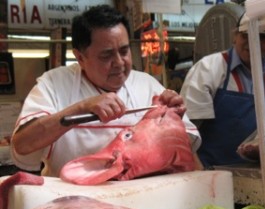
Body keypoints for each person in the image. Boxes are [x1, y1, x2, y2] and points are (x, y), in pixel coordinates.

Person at [11, 5, 201, 177]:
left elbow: (187, 154)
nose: (119, 62)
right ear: (80, 57)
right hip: (72, 201)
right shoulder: (54, 84)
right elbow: (22, 144)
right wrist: (81, 108)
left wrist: (173, 120)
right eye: (106, 55)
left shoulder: (147, 85)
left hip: (139, 198)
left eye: (124, 51)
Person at [180, 13, 265, 168]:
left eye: (263, 38)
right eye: (247, 35)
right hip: (212, 176)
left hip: (261, 180)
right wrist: (201, 176)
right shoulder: (207, 70)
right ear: (235, 36)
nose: (254, 42)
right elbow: (186, 134)